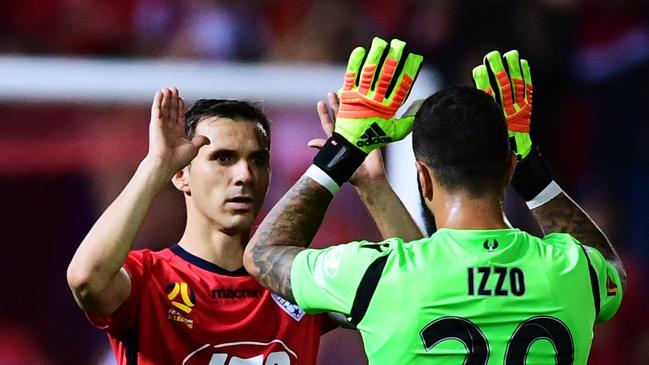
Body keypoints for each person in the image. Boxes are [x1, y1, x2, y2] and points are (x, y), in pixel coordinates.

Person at [243, 41, 627, 364]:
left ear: (422, 177)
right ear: (509, 167)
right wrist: (531, 169)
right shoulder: (574, 271)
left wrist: (342, 151)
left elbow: (264, 253)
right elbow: (611, 269)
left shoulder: (378, 275)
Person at [66, 84, 421, 364]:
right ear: (181, 175)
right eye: (223, 158)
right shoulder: (150, 278)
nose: (244, 175)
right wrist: (155, 165)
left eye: (257, 160)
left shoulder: (299, 277)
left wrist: (374, 186)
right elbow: (86, 279)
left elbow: (419, 287)